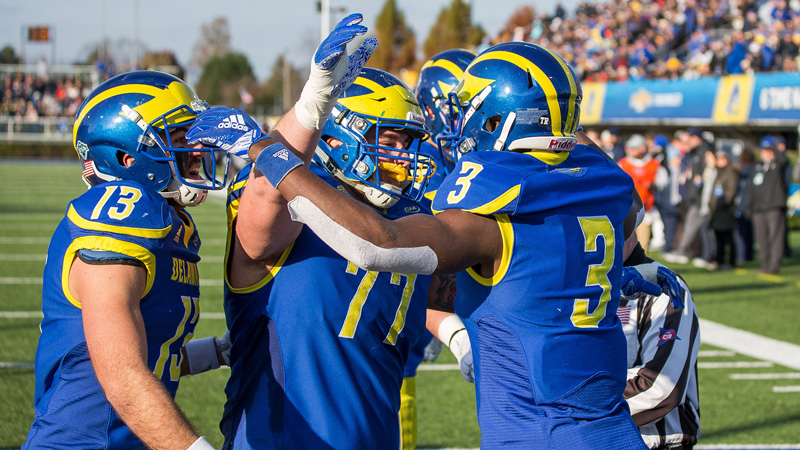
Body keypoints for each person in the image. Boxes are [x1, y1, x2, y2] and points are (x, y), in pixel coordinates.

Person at [247, 41, 652, 449]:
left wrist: (273, 156)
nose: (461, 125)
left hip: (538, 433)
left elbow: (379, 245)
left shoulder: (495, 224)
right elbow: (624, 197)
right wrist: (558, 119)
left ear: (496, 119)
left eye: (470, 111)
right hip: (612, 430)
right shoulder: (606, 192)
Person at [187, 17, 454, 447]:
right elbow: (266, 197)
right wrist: (314, 103)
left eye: (411, 142)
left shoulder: (409, 217)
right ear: (342, 138)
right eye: (393, 140)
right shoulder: (290, 210)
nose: (406, 157)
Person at [23, 71, 232, 450]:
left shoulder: (169, 222)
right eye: (181, 139)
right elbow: (121, 374)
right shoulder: (120, 218)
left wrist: (217, 351)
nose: (199, 151)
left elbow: (146, 352)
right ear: (126, 156)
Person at [621, 246, 700, 449]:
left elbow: (660, 387)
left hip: (651, 443)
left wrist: (579, 406)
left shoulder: (663, 284)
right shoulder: (570, 283)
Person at [664, 127, 711, 265]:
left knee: (695, 226)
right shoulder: (695, 152)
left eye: (691, 138)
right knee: (694, 227)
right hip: (692, 196)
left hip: (701, 197)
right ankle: (693, 252)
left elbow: (704, 177)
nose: (688, 141)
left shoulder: (704, 151)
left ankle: (686, 251)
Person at [747, 136, 790, 274]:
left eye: (768, 150)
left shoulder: (778, 164)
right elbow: (751, 188)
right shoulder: (758, 166)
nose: (766, 153)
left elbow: (784, 159)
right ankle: (765, 264)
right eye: (764, 150)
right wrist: (749, 205)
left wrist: (776, 152)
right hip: (758, 208)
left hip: (774, 206)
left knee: (775, 236)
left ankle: (774, 265)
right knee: (762, 238)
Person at [618, 133, 667, 252]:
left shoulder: (653, 165)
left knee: (642, 246)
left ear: (643, 148)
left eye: (633, 147)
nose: (629, 150)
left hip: (645, 209)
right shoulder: (623, 164)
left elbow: (663, 182)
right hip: (626, 210)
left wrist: (653, 185)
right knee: (623, 245)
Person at [708, 150, 740, 270]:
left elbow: (731, 192)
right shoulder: (718, 172)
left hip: (726, 210)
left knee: (728, 238)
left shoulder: (731, 172)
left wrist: (723, 203)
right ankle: (719, 260)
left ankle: (731, 261)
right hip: (716, 210)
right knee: (718, 238)